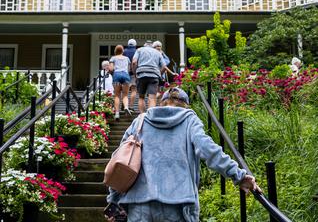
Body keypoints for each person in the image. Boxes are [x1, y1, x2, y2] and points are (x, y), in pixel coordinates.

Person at [105, 87, 261, 222]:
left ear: (162, 103)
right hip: (178, 205)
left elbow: (119, 162)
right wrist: (238, 175)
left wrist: (114, 201)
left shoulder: (140, 121)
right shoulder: (189, 121)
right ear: (185, 105)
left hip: (139, 206)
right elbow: (209, 149)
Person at [132, 41, 166, 113]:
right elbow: (164, 67)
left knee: (141, 97)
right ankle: (150, 115)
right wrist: (159, 74)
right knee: (152, 97)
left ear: (145, 45)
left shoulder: (139, 50)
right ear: (152, 46)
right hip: (154, 75)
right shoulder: (158, 52)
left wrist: (135, 73)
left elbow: (134, 62)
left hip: (141, 75)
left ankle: (142, 115)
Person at [109, 45, 132, 119]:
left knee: (117, 95)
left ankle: (117, 113)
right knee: (125, 95)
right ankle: (125, 107)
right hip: (125, 75)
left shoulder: (113, 58)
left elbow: (111, 69)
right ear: (123, 51)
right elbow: (129, 69)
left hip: (117, 75)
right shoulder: (127, 58)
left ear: (115, 51)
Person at [123, 38, 138, 110]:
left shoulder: (124, 51)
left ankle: (124, 105)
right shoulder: (137, 51)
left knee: (125, 90)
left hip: (125, 72)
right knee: (134, 89)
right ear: (135, 44)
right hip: (134, 73)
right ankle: (131, 106)